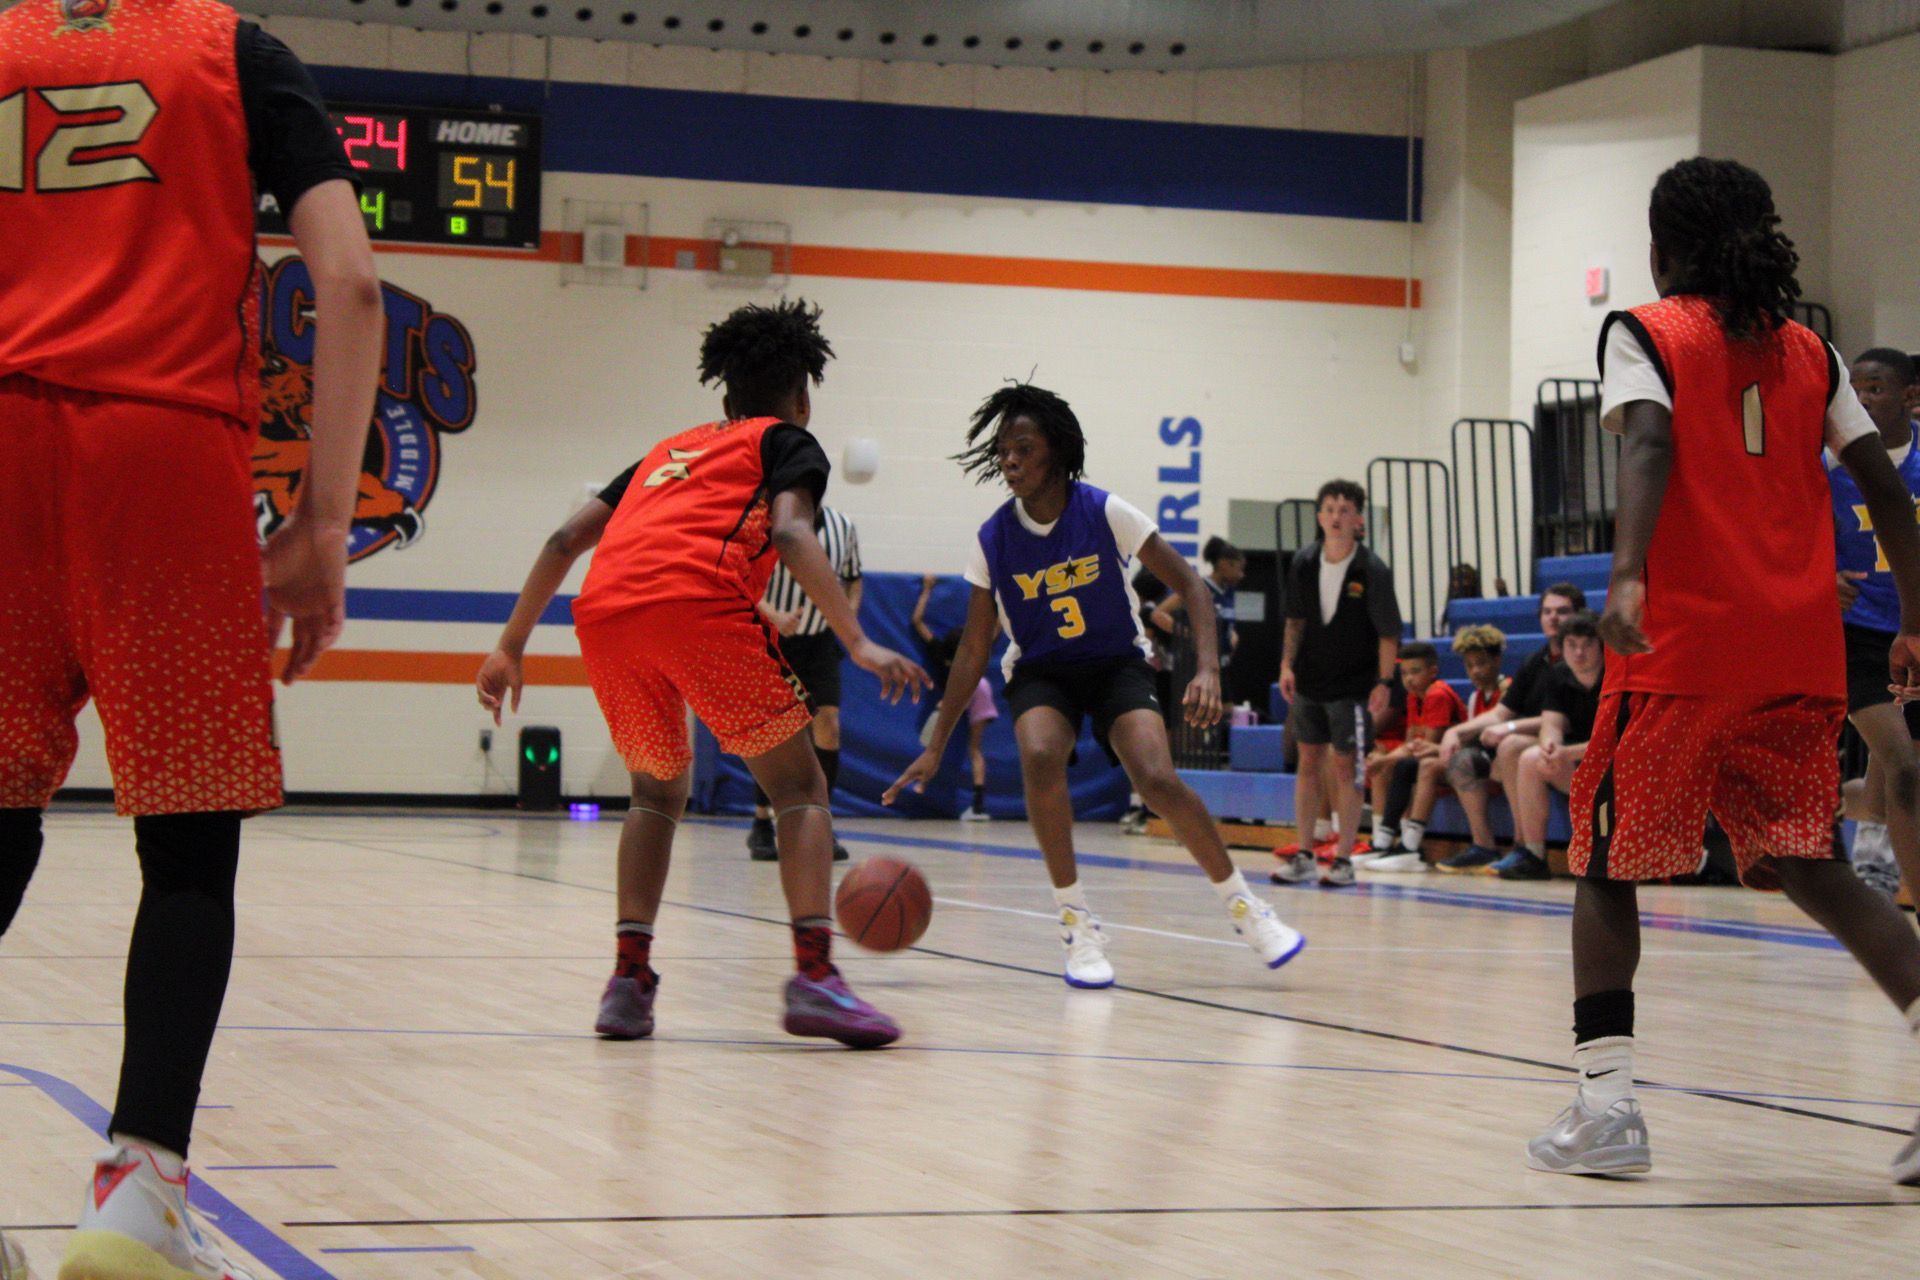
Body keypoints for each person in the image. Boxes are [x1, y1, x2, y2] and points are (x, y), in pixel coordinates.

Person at [0, 3, 380, 1277]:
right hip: (161, 452)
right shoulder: (233, 51)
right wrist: (321, 521)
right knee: (186, 850)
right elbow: (349, 282)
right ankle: (137, 1195)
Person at [1527, 157, 1920, 1184]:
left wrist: (1625, 578)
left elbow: (1649, 444)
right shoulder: (1811, 350)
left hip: (1685, 649)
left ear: (1662, 250)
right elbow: (1885, 488)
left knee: (1606, 863)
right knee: (1813, 863)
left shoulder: (1646, 331)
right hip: (1798, 652)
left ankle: (1606, 1108)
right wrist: (1917, 620)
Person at [476, 299, 929, 1050]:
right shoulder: (785, 441)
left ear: (724, 399)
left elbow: (564, 540)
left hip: (608, 617)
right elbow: (792, 532)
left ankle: (628, 982)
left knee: (655, 795)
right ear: (804, 397)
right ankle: (816, 977)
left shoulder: (665, 453)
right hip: (699, 607)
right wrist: (856, 640)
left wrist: (509, 647)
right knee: (799, 788)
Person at [883, 383, 1304, 987]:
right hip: (1042, 671)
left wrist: (1209, 668)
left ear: (1055, 451)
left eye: (1023, 449)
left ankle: (1245, 905)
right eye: (1003, 451)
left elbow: (1191, 585)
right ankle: (1076, 922)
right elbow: (974, 649)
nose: (1009, 461)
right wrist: (936, 741)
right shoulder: (992, 539)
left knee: (1157, 779)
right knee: (1039, 753)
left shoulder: (1104, 512)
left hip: (1114, 662)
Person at [1273, 480, 1402, 888]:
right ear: (1319, 516)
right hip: (1310, 678)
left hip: (1353, 684)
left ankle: (1344, 858)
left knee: (1347, 766)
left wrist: (1384, 680)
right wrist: (1286, 665)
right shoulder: (1305, 561)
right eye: (1329, 509)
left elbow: (1388, 632)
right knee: (1308, 762)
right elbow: (1295, 619)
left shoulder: (1372, 570)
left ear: (1359, 520)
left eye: (1344, 510)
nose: (1335, 517)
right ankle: (1305, 853)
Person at [1830, 348, 1920, 898]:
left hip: (1915, 629)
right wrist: (1822, 575)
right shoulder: (1829, 466)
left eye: (1875, 389)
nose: (1861, 400)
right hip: (1858, 634)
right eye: (1854, 391)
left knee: (1900, 780)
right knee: (1904, 766)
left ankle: (1846, 804)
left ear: (1910, 396)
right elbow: (1788, 535)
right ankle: (1878, 868)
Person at [1433, 584, 1586, 869]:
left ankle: (1524, 845)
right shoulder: (1535, 661)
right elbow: (1500, 713)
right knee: (1464, 760)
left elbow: (1564, 719)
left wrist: (1511, 727)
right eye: (1547, 612)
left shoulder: (1583, 658)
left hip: (1568, 743)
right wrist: (1456, 731)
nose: (1554, 618)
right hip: (1534, 741)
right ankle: (1483, 845)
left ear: (1580, 615)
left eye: (1562, 611)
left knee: (1511, 746)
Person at [744, 504, 863, 861]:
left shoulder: (843, 525)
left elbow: (854, 579)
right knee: (774, 733)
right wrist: (774, 615)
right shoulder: (764, 522)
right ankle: (762, 821)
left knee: (829, 725)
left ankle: (820, 820)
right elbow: (741, 579)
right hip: (772, 638)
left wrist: (847, 620)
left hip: (820, 642)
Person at [1376, 625, 1510, 870]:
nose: (1475, 671)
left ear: (1497, 660)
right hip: (1473, 759)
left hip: (1500, 764)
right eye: (1469, 666)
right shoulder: (1476, 697)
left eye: (1481, 663)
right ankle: (1398, 842)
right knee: (1410, 763)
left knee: (1424, 764)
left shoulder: (1507, 690)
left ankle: (1409, 845)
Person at [1495, 611, 1604, 880]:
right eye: (1571, 645)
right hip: (1578, 760)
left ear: (1602, 645)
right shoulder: (1558, 675)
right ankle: (1534, 855)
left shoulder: (1615, 676)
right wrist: (1550, 747)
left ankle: (1602, 847)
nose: (1579, 653)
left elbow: (1616, 741)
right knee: (1532, 758)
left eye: (1587, 645)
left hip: (1616, 762)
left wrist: (1567, 752)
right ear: (1562, 646)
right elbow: (1551, 723)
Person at [1359, 642, 1468, 871]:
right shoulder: (1413, 696)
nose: (1408, 679)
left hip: (1455, 760)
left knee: (1401, 764)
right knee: (1392, 763)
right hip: (1431, 757)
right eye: (1404, 673)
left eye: (1415, 671)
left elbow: (1426, 746)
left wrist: (1386, 759)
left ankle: (1409, 846)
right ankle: (1383, 841)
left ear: (1433, 671)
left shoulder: (1437, 694)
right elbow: (1411, 742)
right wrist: (1386, 758)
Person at [912, 572, 998, 821]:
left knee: (934, 744)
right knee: (975, 748)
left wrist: (927, 589)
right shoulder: (974, 649)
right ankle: (979, 807)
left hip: (955, 693)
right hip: (981, 687)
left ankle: (921, 786)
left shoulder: (939, 651)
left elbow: (917, 622)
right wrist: (997, 596)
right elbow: (995, 629)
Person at [1150, 535, 1245, 667]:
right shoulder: (1199, 587)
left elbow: (1223, 625)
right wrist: (1188, 634)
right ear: (1224, 564)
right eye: (1239, 569)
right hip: (1194, 664)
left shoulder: (1228, 592)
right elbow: (1158, 614)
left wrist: (1232, 636)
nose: (1241, 575)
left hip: (1220, 663)